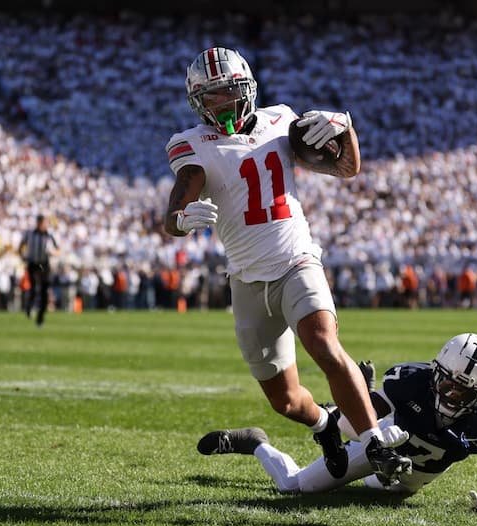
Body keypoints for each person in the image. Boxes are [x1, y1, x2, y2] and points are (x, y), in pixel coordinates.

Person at [163, 47, 410, 484]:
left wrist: (345, 128)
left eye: (228, 93)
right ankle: (326, 426)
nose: (222, 104)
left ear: (248, 89)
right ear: (198, 102)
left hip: (296, 260)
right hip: (246, 279)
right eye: (212, 96)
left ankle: (375, 443)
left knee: (323, 343)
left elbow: (348, 167)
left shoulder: (281, 122)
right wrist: (180, 220)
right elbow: (176, 209)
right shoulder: (191, 143)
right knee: (287, 401)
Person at [198, 333, 477, 517]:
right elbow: (351, 422)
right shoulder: (411, 382)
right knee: (295, 487)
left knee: (384, 491)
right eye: (448, 383)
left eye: (464, 390)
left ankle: (362, 398)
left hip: (408, 480)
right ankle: (256, 442)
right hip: (378, 451)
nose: (452, 395)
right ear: (435, 371)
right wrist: (379, 437)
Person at [19, 214, 58, 326]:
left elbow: (58, 249)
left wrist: (53, 252)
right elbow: (21, 246)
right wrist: (22, 256)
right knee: (33, 288)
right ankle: (29, 307)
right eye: (41, 223)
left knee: (45, 291)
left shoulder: (50, 235)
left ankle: (40, 317)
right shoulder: (30, 234)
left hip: (44, 265)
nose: (43, 225)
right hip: (33, 263)